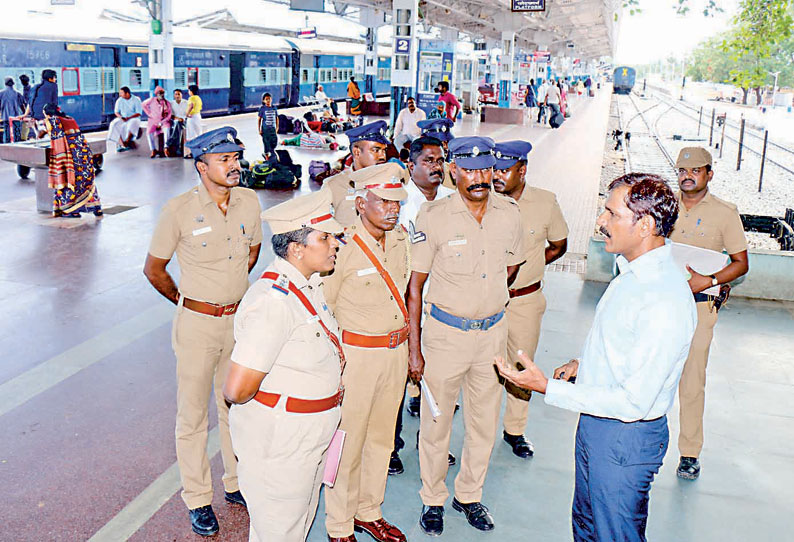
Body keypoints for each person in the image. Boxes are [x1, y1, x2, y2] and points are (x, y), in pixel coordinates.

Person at [496, 173, 697, 542]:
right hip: (600, 423)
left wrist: (547, 387)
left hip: (624, 436)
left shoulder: (663, 298)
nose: (601, 222)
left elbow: (635, 400)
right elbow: (627, 349)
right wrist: (585, 366)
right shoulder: (632, 273)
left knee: (614, 534)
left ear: (646, 225)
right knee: (588, 527)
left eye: (611, 213)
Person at [143, 126, 263, 537]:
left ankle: (236, 484)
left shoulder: (248, 202)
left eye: (236, 158)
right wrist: (187, 301)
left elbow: (252, 252)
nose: (235, 166)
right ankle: (197, 498)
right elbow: (154, 270)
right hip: (196, 324)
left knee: (236, 406)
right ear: (201, 165)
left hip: (238, 322)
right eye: (225, 160)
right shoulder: (177, 211)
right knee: (193, 416)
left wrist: (228, 293)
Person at [409, 136, 524, 536]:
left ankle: (469, 495)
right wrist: (415, 347)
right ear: (453, 169)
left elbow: (510, 268)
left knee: (483, 424)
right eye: (469, 169)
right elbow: (415, 286)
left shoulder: (509, 213)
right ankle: (433, 498)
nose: (478, 177)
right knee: (437, 423)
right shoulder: (433, 216)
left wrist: (485, 298)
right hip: (445, 337)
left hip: (492, 336)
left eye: (485, 168)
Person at [222, 189, 343, 542]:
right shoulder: (274, 302)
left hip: (310, 433)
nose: (335, 244)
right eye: (325, 237)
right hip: (283, 441)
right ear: (296, 249)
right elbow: (237, 389)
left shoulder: (308, 286)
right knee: (279, 530)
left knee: (296, 524)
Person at [322, 163, 410, 542]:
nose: (393, 209)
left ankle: (368, 511)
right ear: (360, 203)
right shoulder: (339, 247)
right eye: (384, 201)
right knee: (349, 440)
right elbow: (322, 310)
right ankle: (339, 524)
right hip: (356, 358)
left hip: (395, 354)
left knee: (381, 439)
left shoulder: (403, 240)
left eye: (397, 202)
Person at [668, 147, 749, 481]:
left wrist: (711, 280)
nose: (688, 176)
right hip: (657, 303)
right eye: (682, 170)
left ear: (709, 174)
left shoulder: (725, 213)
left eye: (695, 170)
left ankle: (689, 453)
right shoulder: (663, 206)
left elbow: (741, 262)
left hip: (699, 306)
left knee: (692, 381)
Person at [492, 140, 568, 459]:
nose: (497, 176)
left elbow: (558, 244)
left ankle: (515, 431)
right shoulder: (483, 201)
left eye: (504, 170)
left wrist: (532, 266)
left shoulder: (545, 202)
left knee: (522, 365)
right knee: (483, 368)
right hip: (487, 302)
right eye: (494, 169)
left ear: (522, 170)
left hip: (524, 301)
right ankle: (479, 428)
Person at [389, 136, 455, 476]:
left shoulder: (451, 202)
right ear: (410, 165)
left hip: (442, 303)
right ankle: (392, 446)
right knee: (400, 379)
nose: (435, 167)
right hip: (405, 302)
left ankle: (433, 443)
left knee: (439, 378)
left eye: (439, 160)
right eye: (428, 160)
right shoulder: (399, 205)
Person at [322, 120, 389, 227]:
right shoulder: (333, 185)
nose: (383, 157)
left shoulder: (389, 182)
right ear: (357, 152)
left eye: (384, 150)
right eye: (376, 150)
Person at [43, 104, 102, 218]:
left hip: (71, 156)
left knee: (68, 181)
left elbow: (51, 135)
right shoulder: (70, 119)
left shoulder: (53, 120)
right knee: (86, 182)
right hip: (84, 155)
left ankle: (71, 210)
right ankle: (96, 208)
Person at [415, 118, 455, 190]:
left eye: (446, 142)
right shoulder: (413, 171)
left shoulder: (452, 173)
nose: (445, 147)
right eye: (439, 143)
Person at [107, 86, 142, 152]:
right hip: (123, 117)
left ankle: (127, 141)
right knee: (114, 124)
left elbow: (139, 113)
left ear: (127, 93)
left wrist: (129, 118)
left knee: (133, 123)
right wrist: (121, 117)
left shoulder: (136, 99)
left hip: (133, 118)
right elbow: (116, 112)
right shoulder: (119, 100)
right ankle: (122, 143)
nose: (120, 94)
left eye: (121, 93)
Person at [142, 86, 172, 158]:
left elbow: (169, 116)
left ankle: (166, 148)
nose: (161, 95)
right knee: (149, 132)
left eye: (162, 93)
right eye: (159, 93)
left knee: (167, 129)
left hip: (163, 121)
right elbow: (143, 104)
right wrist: (149, 113)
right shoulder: (152, 100)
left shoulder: (167, 103)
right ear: (156, 94)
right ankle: (153, 149)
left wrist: (161, 122)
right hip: (153, 120)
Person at [28, 69, 58, 138]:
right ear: (50, 78)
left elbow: (30, 102)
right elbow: (54, 102)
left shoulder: (35, 87)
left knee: (41, 133)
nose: (55, 79)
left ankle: (40, 135)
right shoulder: (53, 86)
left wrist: (29, 114)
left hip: (35, 115)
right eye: (54, 77)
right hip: (45, 115)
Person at [0, 77, 25, 143]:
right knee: (17, 132)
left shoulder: (1, 93)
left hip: (5, 116)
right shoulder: (18, 93)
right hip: (16, 116)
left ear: (5, 83)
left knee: (6, 131)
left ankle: (7, 146)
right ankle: (17, 144)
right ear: (13, 83)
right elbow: (22, 105)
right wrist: (24, 114)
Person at [258, 92, 279, 161]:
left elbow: (277, 118)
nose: (268, 101)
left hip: (272, 129)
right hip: (265, 129)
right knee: (266, 143)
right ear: (263, 101)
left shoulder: (274, 108)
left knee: (274, 141)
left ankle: (272, 152)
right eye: (266, 99)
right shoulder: (262, 109)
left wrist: (277, 127)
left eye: (269, 99)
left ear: (271, 99)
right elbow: (259, 119)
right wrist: (259, 129)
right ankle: (267, 156)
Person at [168, 88, 189, 157]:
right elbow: (171, 115)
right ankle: (178, 147)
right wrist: (178, 118)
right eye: (176, 94)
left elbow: (188, 114)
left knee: (178, 124)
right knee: (178, 124)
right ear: (174, 95)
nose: (177, 96)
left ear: (182, 95)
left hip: (185, 121)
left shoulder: (186, 102)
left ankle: (171, 142)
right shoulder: (171, 103)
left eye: (179, 94)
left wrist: (183, 119)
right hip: (175, 121)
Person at [184, 85, 204, 156]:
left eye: (189, 90)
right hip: (198, 116)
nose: (188, 92)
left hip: (192, 117)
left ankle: (192, 152)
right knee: (198, 133)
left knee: (191, 135)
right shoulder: (198, 98)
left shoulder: (191, 98)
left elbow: (191, 106)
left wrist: (186, 114)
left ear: (191, 91)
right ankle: (199, 151)